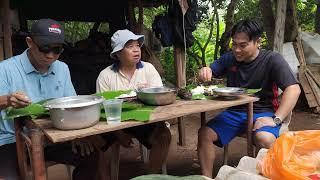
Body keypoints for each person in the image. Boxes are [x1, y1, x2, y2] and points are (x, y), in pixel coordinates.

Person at [0, 19, 103, 180]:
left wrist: (77, 136)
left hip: (51, 137)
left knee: (90, 155)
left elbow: (72, 104)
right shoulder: (6, 69)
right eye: (44, 48)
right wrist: (7, 100)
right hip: (12, 140)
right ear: (29, 42)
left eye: (57, 50)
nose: (50, 55)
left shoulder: (62, 68)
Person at [197, 19, 301, 178]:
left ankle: (273, 173)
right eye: (234, 44)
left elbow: (294, 89)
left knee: (265, 138)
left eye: (243, 45)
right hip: (234, 112)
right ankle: (206, 178)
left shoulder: (272, 59)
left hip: (263, 112)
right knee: (205, 133)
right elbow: (210, 71)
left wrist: (276, 119)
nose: (237, 50)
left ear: (257, 42)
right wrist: (205, 71)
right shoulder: (229, 58)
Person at [96, 29, 171, 173]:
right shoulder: (105, 76)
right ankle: (104, 176)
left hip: (144, 121)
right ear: (117, 53)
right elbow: (103, 109)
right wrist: (120, 134)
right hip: (114, 124)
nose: (136, 50)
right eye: (130, 46)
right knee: (95, 142)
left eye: (137, 45)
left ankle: (151, 174)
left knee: (164, 135)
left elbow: (159, 99)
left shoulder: (148, 69)